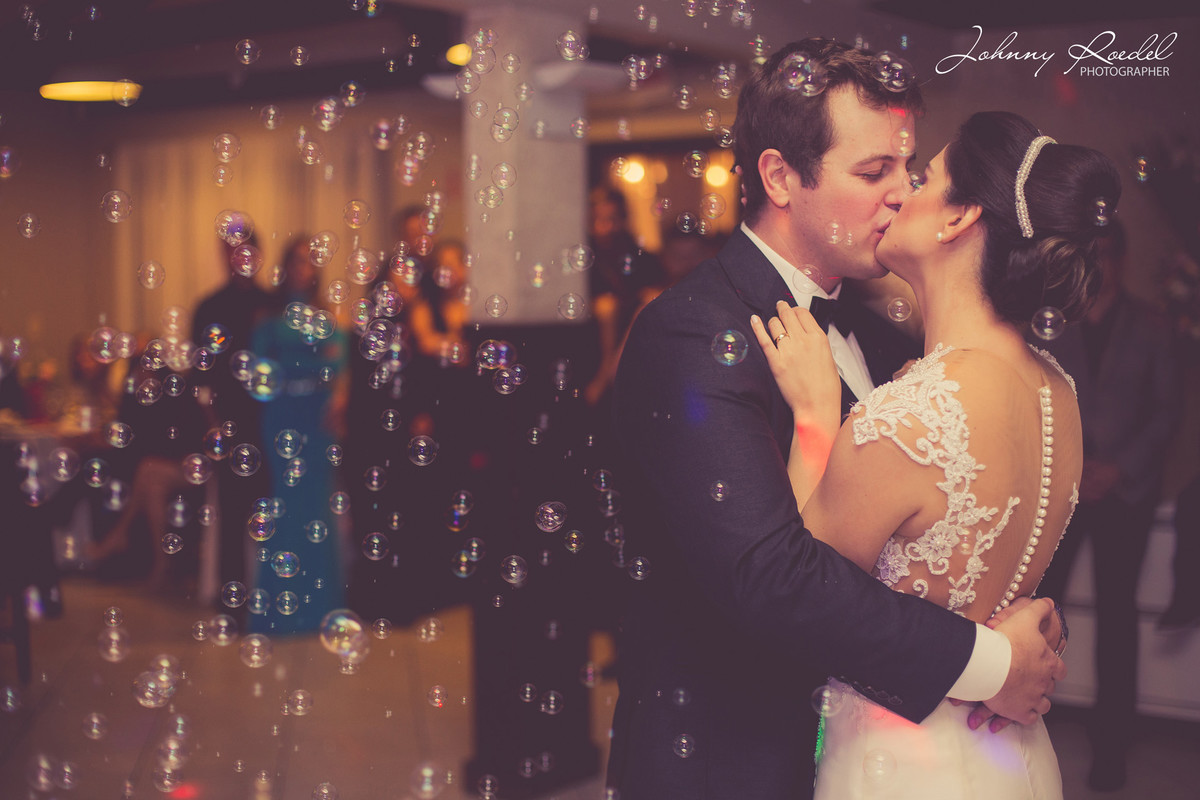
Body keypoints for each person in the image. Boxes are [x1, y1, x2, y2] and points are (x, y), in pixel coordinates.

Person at [607, 40, 1064, 799]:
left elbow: (927, 540)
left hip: (861, 749)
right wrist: (991, 663)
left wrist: (1023, 624)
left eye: (908, 169)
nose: (902, 194)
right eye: (873, 171)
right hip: (730, 759)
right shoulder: (691, 332)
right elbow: (769, 575)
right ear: (781, 178)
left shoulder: (884, 339)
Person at [756, 110, 1121, 797]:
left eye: (923, 178)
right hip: (1011, 751)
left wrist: (814, 417)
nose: (900, 193)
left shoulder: (911, 416)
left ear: (958, 218)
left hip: (904, 762)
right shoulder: (1057, 390)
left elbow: (800, 600)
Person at [1031, 220, 1178, 790]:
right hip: (1065, 486)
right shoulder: (1055, 324)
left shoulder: (1153, 326)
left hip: (1125, 491)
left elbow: (1166, 411)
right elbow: (1039, 400)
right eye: (1092, 253)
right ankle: (1025, 719)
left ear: (1123, 257)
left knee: (1117, 615)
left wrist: (1118, 469)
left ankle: (1111, 745)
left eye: (1109, 253)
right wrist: (1073, 467)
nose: (1101, 263)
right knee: (1043, 607)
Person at [247, 237, 348, 634]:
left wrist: (322, 377)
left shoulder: (326, 315)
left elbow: (339, 362)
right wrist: (311, 361)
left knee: (317, 507)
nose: (304, 268)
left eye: (310, 261)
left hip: (318, 417)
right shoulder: (270, 317)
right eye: (297, 261)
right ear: (286, 266)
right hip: (282, 414)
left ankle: (319, 607)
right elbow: (261, 368)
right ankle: (281, 609)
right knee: (286, 505)